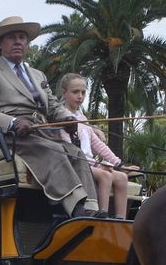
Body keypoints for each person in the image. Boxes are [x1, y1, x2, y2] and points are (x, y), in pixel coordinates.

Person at [0, 16, 99, 220]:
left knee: (75, 152)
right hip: (9, 137)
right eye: (11, 37)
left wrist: (67, 118)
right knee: (54, 150)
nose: (18, 42)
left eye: (22, 37)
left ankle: (91, 207)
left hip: (40, 132)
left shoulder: (38, 75)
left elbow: (53, 106)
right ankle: (76, 208)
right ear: (0, 44)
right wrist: (13, 123)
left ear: (27, 43)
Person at [56, 73, 137, 219]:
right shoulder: (61, 119)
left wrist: (119, 164)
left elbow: (98, 145)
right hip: (77, 165)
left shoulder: (83, 119)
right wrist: (98, 166)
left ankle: (120, 219)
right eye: (75, 92)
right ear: (64, 93)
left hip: (92, 165)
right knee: (105, 175)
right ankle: (101, 215)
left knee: (121, 178)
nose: (80, 96)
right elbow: (70, 148)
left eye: (83, 92)